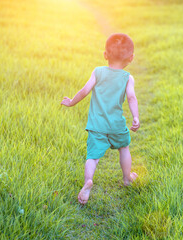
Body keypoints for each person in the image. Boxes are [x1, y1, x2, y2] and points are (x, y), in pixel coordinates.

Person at [61, 33, 140, 205]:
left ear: (105, 55)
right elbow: (132, 98)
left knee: (93, 157)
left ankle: (88, 181)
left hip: (97, 126)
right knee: (124, 147)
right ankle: (127, 178)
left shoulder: (98, 72)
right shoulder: (128, 78)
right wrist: (135, 117)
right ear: (131, 58)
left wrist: (71, 102)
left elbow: (84, 90)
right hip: (116, 125)